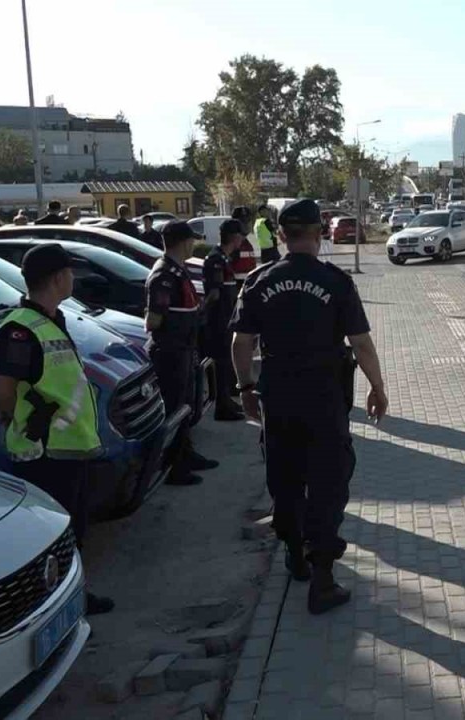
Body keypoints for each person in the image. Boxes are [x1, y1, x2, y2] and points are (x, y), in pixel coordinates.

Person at [230, 198, 388, 615]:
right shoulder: (335, 281)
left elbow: (241, 342)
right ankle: (322, 579)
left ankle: (295, 555)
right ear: (319, 234)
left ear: (281, 237)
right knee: (327, 482)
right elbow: (360, 341)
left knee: (284, 477)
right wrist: (378, 386)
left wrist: (246, 387)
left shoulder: (259, 281)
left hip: (278, 394)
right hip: (324, 396)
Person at [0, 244, 115, 615]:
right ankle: (56, 606)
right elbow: (0, 391)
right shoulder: (20, 330)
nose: (73, 277)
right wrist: (26, 419)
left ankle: (72, 596)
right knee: (52, 539)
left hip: (68, 447)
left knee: (72, 534)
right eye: (70, 272)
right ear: (58, 277)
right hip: (45, 452)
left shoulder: (49, 320)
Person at [146, 221, 220, 485]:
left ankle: (185, 454)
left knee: (186, 404)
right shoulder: (164, 274)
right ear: (183, 241)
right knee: (174, 407)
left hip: (185, 349)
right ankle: (173, 466)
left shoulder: (178, 270)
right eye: (191, 240)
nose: (193, 244)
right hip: (170, 352)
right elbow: (153, 319)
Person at [202, 219, 246, 421]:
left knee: (226, 362)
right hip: (218, 321)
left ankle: (227, 400)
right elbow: (214, 293)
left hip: (226, 319)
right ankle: (222, 406)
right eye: (241, 236)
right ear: (235, 237)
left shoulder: (224, 258)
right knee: (221, 363)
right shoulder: (216, 260)